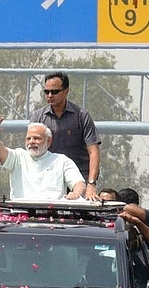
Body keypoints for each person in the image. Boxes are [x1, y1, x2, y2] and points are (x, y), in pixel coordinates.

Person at [30, 71, 102, 201]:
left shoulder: (81, 116)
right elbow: (32, 150)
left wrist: (91, 184)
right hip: (50, 179)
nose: (50, 95)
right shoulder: (38, 117)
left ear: (66, 91)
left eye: (54, 92)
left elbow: (93, 152)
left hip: (80, 178)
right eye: (47, 92)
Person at [0, 114, 85, 200]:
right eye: (28, 139)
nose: (31, 142)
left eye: (37, 138)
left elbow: (79, 183)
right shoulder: (18, 157)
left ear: (49, 141)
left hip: (52, 217)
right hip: (20, 216)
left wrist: (76, 193)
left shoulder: (61, 161)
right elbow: (1, 151)